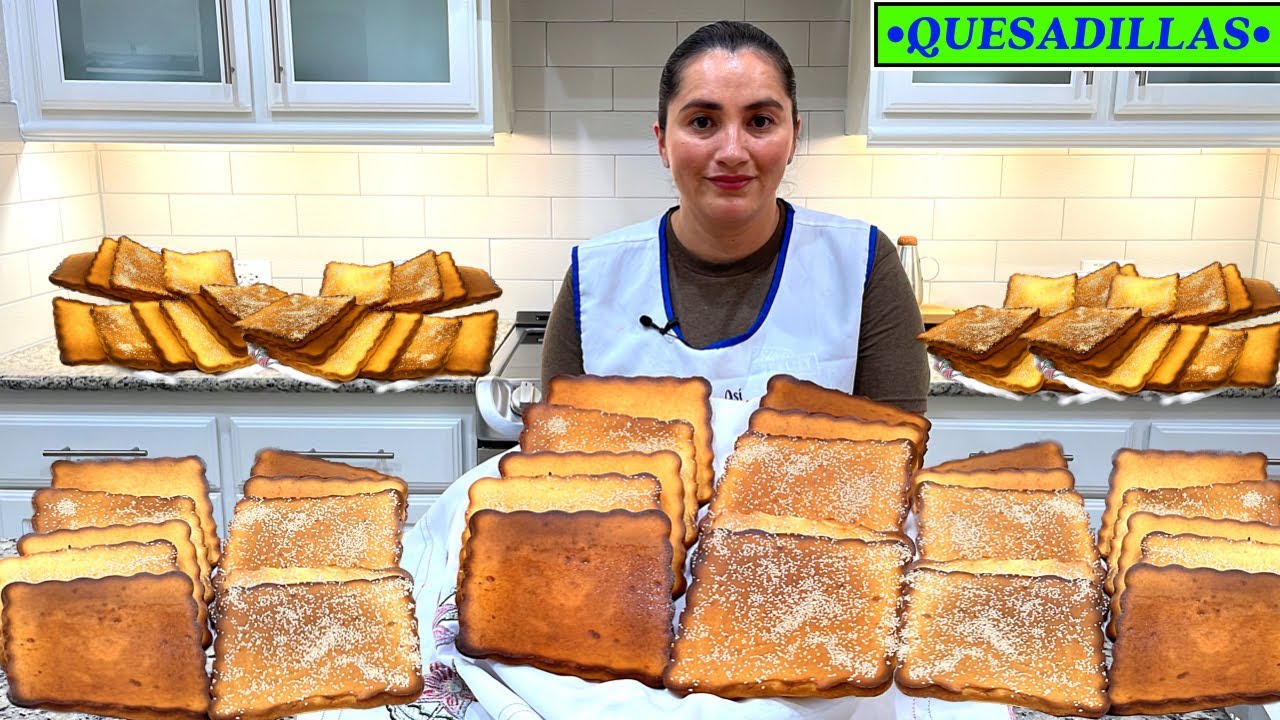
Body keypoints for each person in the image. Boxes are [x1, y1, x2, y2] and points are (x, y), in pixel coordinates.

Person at [541, 21, 929, 413]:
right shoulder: (595, 276)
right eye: (702, 122)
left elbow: (897, 452)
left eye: (760, 121)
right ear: (662, 142)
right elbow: (560, 459)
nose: (732, 151)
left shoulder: (862, 265)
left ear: (794, 137)